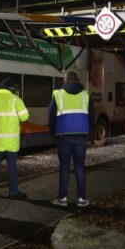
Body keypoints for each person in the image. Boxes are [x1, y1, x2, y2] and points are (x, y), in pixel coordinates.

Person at [48, 71, 94, 207]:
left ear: (65, 81)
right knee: (80, 166)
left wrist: (54, 134)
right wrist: (87, 131)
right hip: (81, 135)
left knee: (65, 167)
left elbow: (51, 118)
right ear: (76, 80)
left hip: (63, 136)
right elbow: (92, 116)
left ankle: (62, 198)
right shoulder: (86, 95)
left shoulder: (57, 95)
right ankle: (82, 199)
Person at [0, 77, 29, 199]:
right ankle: (13, 192)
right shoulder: (15, 100)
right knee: (12, 166)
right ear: (11, 88)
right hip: (12, 141)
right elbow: (24, 117)